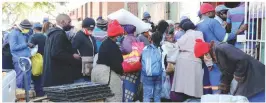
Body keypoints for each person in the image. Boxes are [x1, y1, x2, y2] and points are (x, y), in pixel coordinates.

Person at [194, 40, 265, 102]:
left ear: (206, 52)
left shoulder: (223, 48)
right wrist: (224, 87)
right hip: (247, 74)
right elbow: (227, 72)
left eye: (203, 57)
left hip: (255, 74)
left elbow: (242, 59)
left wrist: (238, 74)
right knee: (237, 97)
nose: (204, 59)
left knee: (242, 97)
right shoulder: (215, 54)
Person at [42, 14, 81, 87]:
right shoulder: (59, 34)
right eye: (69, 22)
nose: (70, 25)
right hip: (58, 74)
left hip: (52, 73)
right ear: (62, 22)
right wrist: (72, 56)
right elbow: (56, 53)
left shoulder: (52, 33)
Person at [196, 3, 227, 93]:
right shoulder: (212, 22)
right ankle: (216, 96)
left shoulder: (197, 25)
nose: (215, 14)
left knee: (206, 78)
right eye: (213, 12)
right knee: (216, 77)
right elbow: (224, 38)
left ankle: (207, 96)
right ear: (208, 13)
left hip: (203, 55)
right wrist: (237, 32)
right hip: (215, 54)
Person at [171, 19, 204, 102]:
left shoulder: (183, 36)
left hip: (181, 60)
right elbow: (202, 46)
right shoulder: (198, 33)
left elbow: (176, 46)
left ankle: (185, 100)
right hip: (194, 59)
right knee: (193, 84)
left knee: (183, 85)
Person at [91, 20, 124, 102]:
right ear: (116, 35)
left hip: (96, 72)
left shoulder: (104, 43)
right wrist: (122, 73)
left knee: (100, 100)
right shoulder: (113, 47)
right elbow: (116, 65)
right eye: (120, 35)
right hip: (107, 74)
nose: (120, 37)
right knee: (114, 98)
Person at [119, 24, 141, 102]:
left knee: (128, 87)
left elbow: (125, 50)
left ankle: (128, 100)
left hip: (128, 67)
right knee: (136, 86)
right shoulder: (137, 39)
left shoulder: (125, 40)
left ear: (125, 31)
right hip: (137, 66)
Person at [9, 19, 32, 90]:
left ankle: (27, 94)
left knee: (27, 77)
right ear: (22, 27)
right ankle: (20, 94)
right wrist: (26, 44)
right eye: (27, 29)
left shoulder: (22, 33)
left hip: (26, 58)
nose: (28, 30)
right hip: (19, 59)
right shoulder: (13, 33)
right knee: (20, 77)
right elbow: (13, 47)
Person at [72, 17, 97, 81]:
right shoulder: (78, 36)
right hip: (82, 69)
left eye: (92, 29)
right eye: (88, 29)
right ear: (83, 27)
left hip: (90, 66)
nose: (90, 30)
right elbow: (73, 49)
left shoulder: (91, 37)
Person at [141, 31, 163, 102]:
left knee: (147, 96)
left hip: (147, 75)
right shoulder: (162, 49)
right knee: (157, 95)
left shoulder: (145, 48)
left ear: (152, 39)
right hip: (159, 75)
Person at [28, 23, 46, 97]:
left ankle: (39, 93)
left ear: (34, 29)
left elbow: (30, 49)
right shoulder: (45, 36)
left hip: (36, 59)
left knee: (36, 75)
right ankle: (43, 92)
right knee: (43, 75)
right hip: (44, 58)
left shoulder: (33, 37)